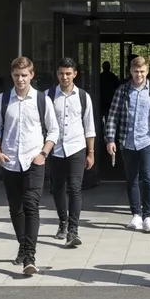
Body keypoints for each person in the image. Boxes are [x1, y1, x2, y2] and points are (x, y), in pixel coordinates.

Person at [0, 56, 59, 276]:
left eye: (24, 75)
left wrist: (43, 154)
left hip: (34, 160)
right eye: (17, 75)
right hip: (10, 162)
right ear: (12, 76)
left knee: (31, 205)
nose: (20, 79)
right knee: (15, 208)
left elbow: (53, 130)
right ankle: (22, 245)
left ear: (32, 75)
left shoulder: (41, 100)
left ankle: (29, 256)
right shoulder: (2, 100)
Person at [105, 56, 150, 233]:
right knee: (131, 179)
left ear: (148, 71)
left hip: (148, 141)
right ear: (131, 71)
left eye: (142, 71)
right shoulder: (122, 90)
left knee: (149, 178)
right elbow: (112, 116)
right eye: (136, 71)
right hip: (127, 141)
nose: (139, 75)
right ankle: (136, 213)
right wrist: (110, 139)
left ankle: (148, 216)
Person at [47, 57, 96, 248]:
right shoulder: (48, 95)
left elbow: (89, 126)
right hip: (55, 149)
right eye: (61, 73)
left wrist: (90, 152)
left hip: (76, 147)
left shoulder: (83, 96)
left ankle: (73, 230)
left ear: (75, 74)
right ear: (57, 74)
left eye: (68, 73)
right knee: (57, 188)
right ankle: (62, 221)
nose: (64, 77)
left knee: (75, 188)